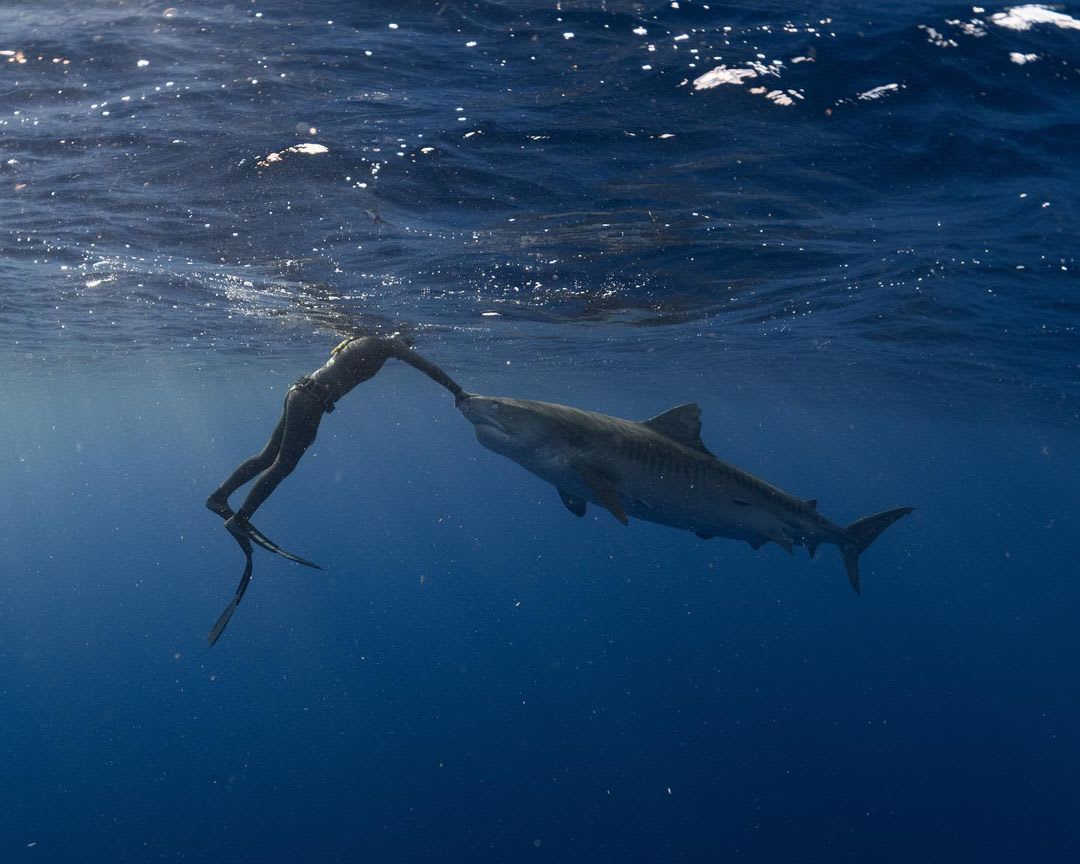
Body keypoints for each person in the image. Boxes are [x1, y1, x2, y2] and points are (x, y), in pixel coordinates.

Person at [205, 333, 463, 644]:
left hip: (300, 392)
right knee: (283, 465)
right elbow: (428, 368)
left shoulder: (369, 341)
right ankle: (241, 518)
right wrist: (458, 391)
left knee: (267, 457)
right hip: (311, 401)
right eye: (407, 345)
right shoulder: (388, 344)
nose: (407, 351)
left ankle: (219, 497)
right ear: (400, 338)